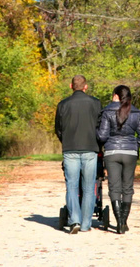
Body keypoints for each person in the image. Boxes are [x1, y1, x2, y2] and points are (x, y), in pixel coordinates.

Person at [96, 85, 140, 234]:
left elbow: (103, 136)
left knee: (114, 188)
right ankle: (123, 222)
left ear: (116, 96)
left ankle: (119, 221)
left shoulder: (107, 111)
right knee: (127, 188)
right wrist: (134, 145)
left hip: (112, 152)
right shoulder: (136, 112)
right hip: (130, 153)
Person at [55, 75, 102, 234]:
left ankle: (74, 219)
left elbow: (58, 129)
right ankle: (86, 224)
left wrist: (66, 141)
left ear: (71, 86)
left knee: (72, 186)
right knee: (89, 188)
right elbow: (100, 126)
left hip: (70, 149)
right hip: (90, 148)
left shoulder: (63, 105)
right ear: (85, 87)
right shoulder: (95, 103)